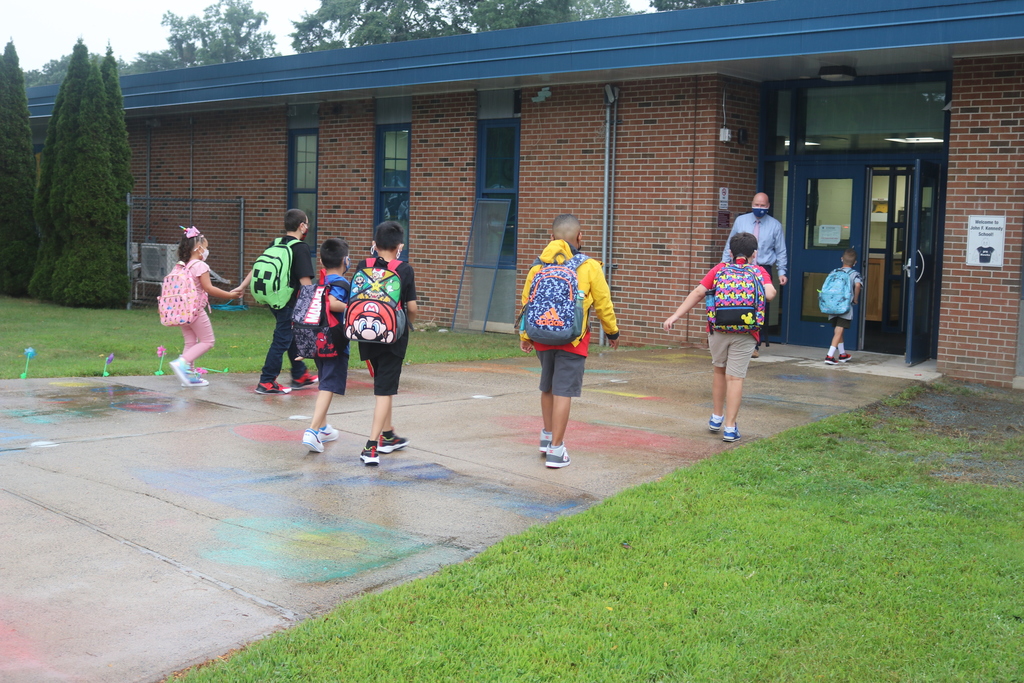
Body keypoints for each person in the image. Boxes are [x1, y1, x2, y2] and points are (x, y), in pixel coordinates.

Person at [519, 214, 620, 469]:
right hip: (573, 340)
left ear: (551, 238)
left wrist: (525, 335)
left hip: (541, 336)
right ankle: (556, 450)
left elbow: (526, 304)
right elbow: (603, 304)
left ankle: (546, 437)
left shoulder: (538, 267)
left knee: (548, 386)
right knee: (564, 390)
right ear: (580, 236)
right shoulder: (589, 266)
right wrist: (612, 332)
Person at [663, 232, 776, 443]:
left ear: (731, 253)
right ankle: (730, 428)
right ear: (754, 254)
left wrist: (676, 315)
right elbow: (770, 294)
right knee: (735, 378)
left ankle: (716, 417)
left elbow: (698, 292)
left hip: (718, 329)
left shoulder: (720, 269)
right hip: (746, 330)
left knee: (719, 371)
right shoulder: (759, 271)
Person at [233, 209, 319, 394]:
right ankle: (267, 381)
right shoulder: (300, 247)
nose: (308, 227)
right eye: (307, 223)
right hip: (289, 302)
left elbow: (258, 266)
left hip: (274, 299)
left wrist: (242, 286)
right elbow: (305, 282)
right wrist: (313, 306)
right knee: (281, 340)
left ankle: (299, 374)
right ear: (302, 226)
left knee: (291, 335)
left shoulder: (276, 243)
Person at [357, 221, 418, 466]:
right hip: (393, 336)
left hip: (366, 333)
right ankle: (371, 446)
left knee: (384, 385)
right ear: (399, 246)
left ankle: (388, 435)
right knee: (384, 390)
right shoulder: (405, 269)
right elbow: (411, 307)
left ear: (375, 244)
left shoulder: (364, 265)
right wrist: (409, 323)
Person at [167, 226, 245, 388]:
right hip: (195, 310)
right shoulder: (200, 266)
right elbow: (209, 288)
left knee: (191, 342)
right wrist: (230, 295)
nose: (207, 251)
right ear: (198, 247)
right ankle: (182, 363)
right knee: (208, 341)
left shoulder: (183, 265)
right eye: (206, 247)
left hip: (182, 311)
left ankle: (188, 376)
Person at [721, 192, 787, 357]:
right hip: (740, 267)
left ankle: (754, 345)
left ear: (768, 206)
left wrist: (782, 271)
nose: (760, 208)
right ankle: (735, 339)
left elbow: (781, 250)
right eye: (757, 205)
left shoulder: (775, 225)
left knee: (760, 306)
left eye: (763, 206)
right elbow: (730, 244)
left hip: (763, 268)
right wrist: (724, 265)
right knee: (738, 301)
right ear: (752, 204)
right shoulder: (741, 221)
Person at [302, 238, 352, 453]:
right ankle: (312, 431)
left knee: (325, 380)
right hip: (335, 342)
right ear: (345, 260)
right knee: (329, 385)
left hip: (318, 340)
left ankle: (323, 427)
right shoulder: (341, 283)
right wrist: (351, 308)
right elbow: (331, 303)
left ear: (321, 261)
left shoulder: (322, 282)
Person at [825, 248, 863, 365]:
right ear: (855, 262)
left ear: (842, 259)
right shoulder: (854, 274)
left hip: (831, 304)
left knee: (838, 328)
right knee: (839, 330)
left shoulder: (833, 272)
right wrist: (855, 298)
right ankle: (830, 355)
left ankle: (842, 354)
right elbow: (857, 285)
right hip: (844, 305)